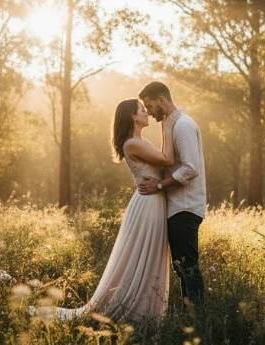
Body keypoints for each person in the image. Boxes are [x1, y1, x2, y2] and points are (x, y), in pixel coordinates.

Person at [32, 98, 173, 323]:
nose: (147, 113)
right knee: (141, 255)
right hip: (148, 203)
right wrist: (168, 124)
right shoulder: (132, 143)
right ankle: (134, 310)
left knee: (149, 254)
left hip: (153, 201)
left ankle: (147, 310)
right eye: (143, 110)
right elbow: (168, 159)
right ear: (132, 117)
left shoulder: (140, 141)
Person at [136, 81, 207, 307]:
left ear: (161, 100)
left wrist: (159, 185)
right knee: (182, 266)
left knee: (187, 266)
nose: (148, 111)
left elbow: (191, 168)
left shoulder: (182, 126)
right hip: (177, 206)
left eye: (150, 105)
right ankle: (192, 313)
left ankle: (198, 317)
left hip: (186, 206)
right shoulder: (169, 124)